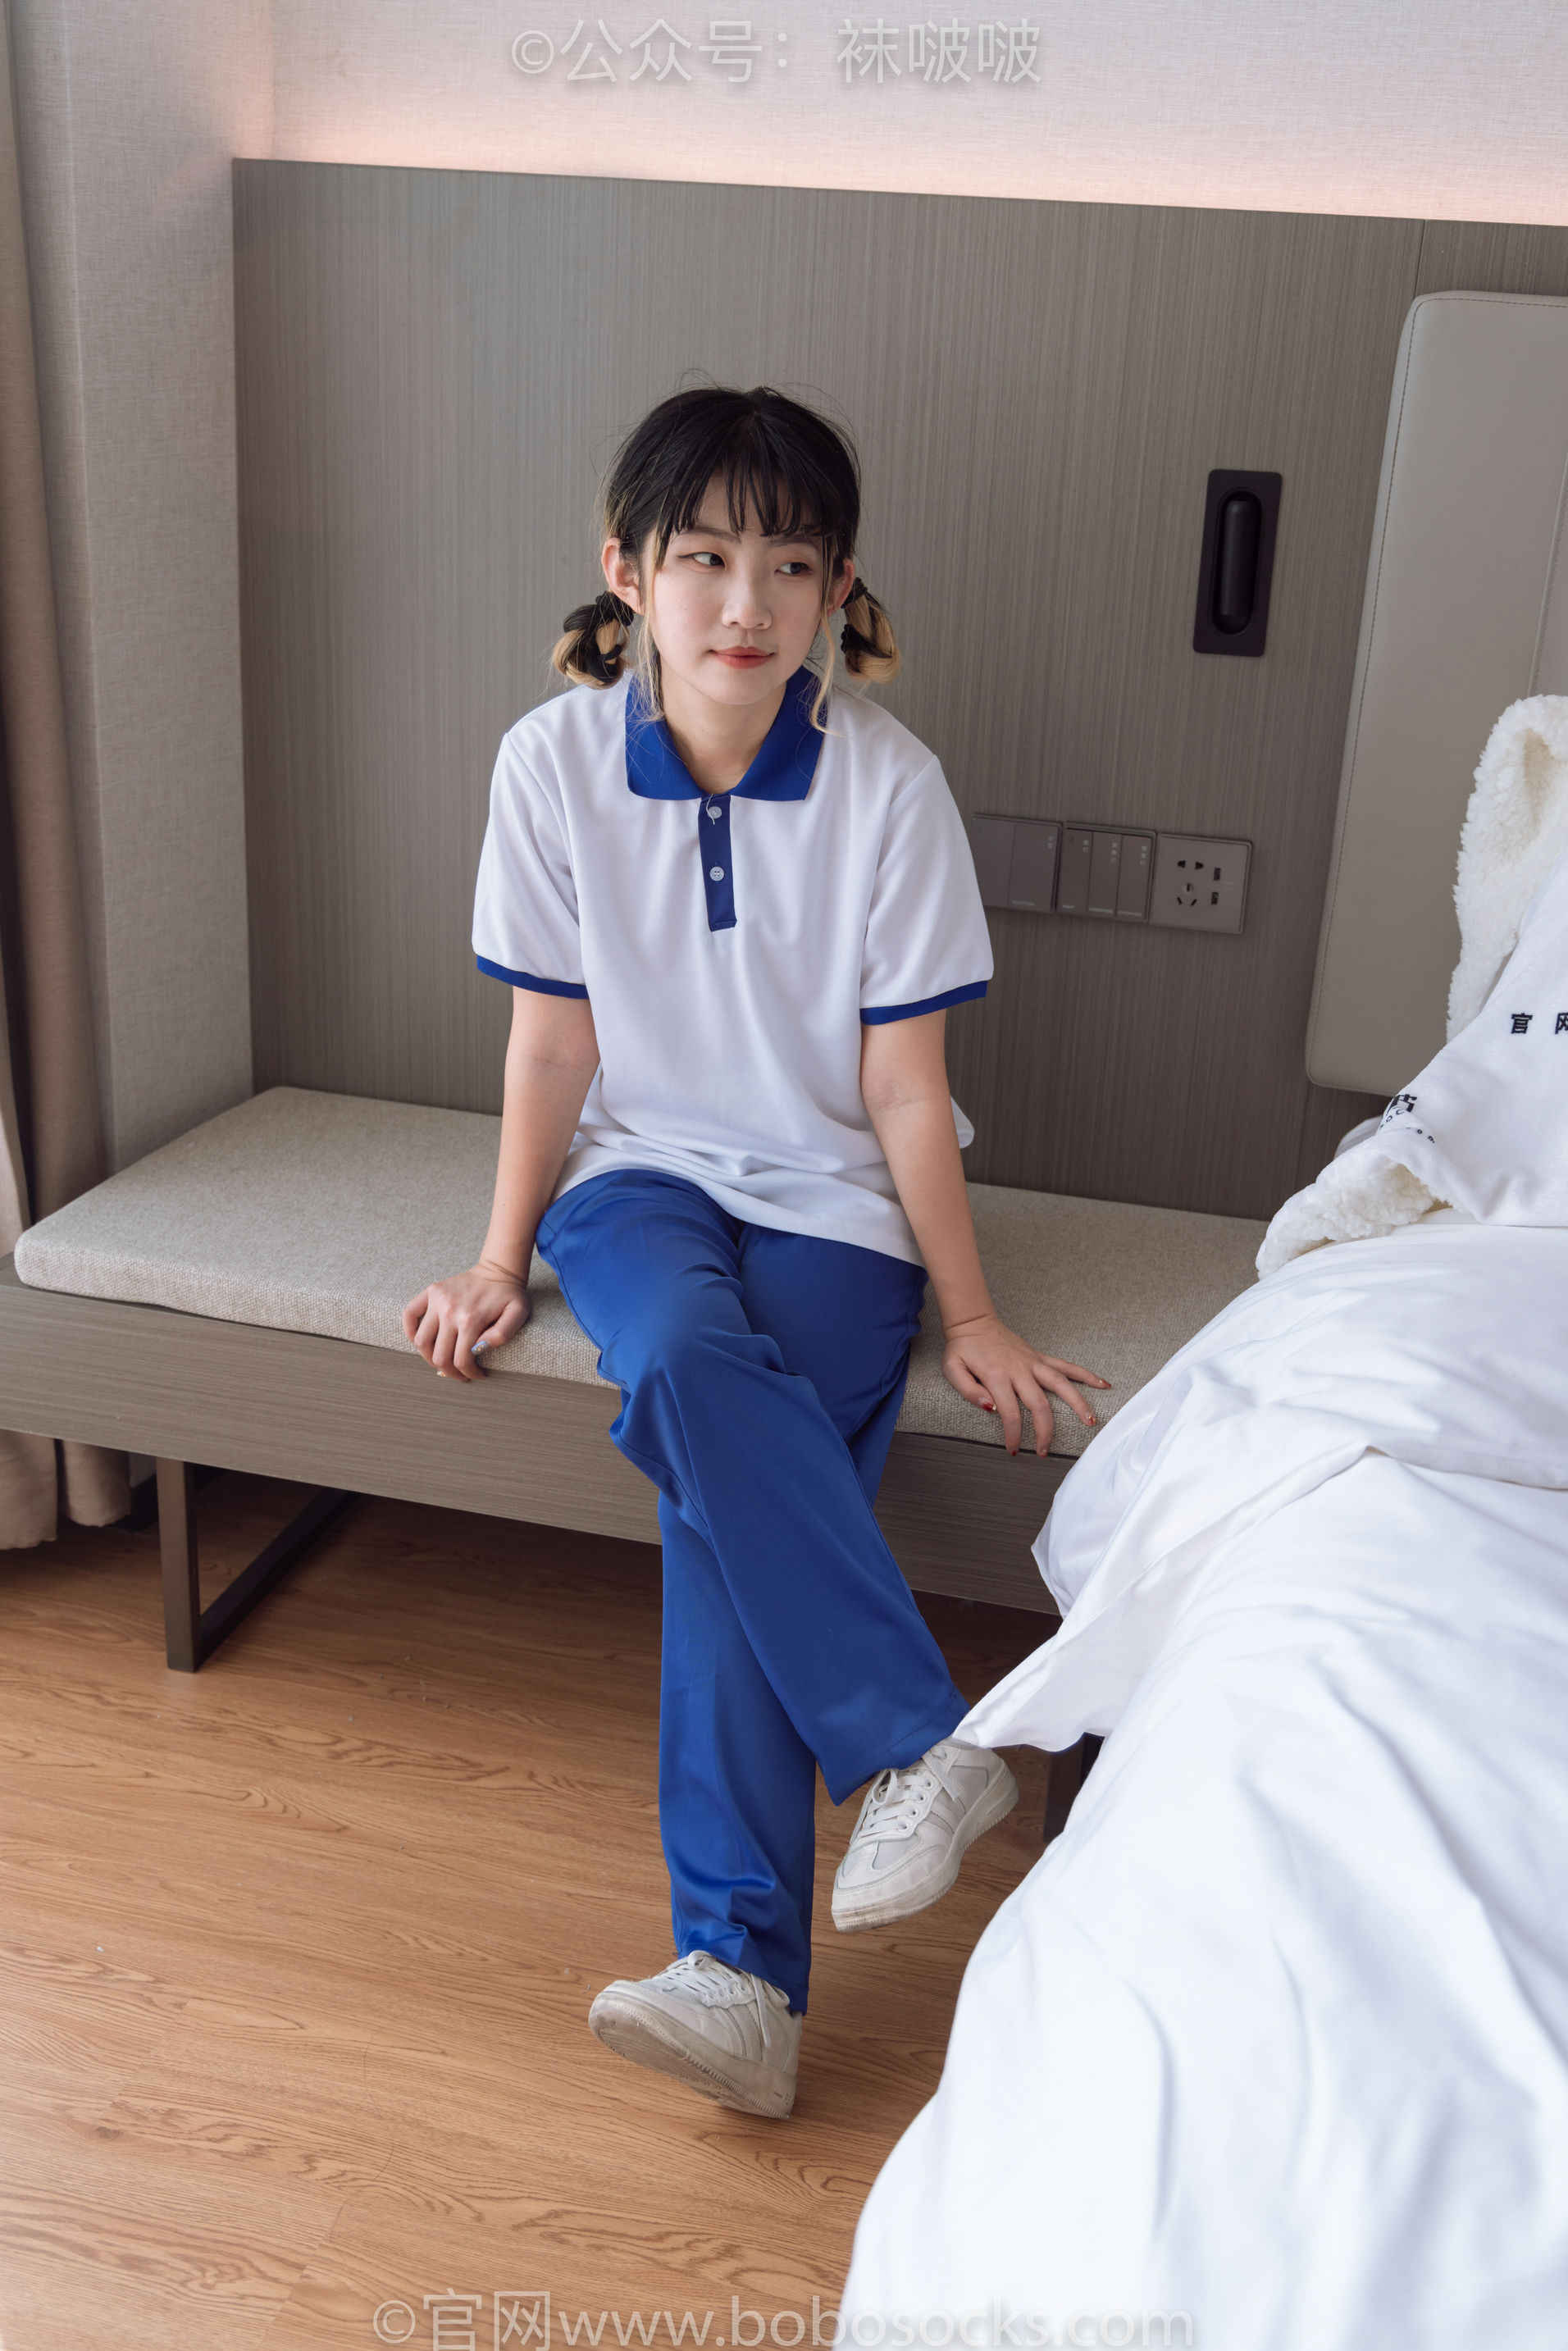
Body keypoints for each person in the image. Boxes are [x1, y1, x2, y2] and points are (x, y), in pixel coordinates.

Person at [403, 385, 1106, 2121]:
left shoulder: (889, 786)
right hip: (637, 1179)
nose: (746, 603)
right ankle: (916, 1746)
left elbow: (903, 1084)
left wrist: (970, 1311)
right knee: (684, 1359)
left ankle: (739, 1985)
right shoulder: (549, 764)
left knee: (721, 1489)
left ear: (837, 588)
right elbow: (553, 1047)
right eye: (704, 559)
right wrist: (496, 1254)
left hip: (838, 1201)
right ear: (625, 572)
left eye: (789, 564)